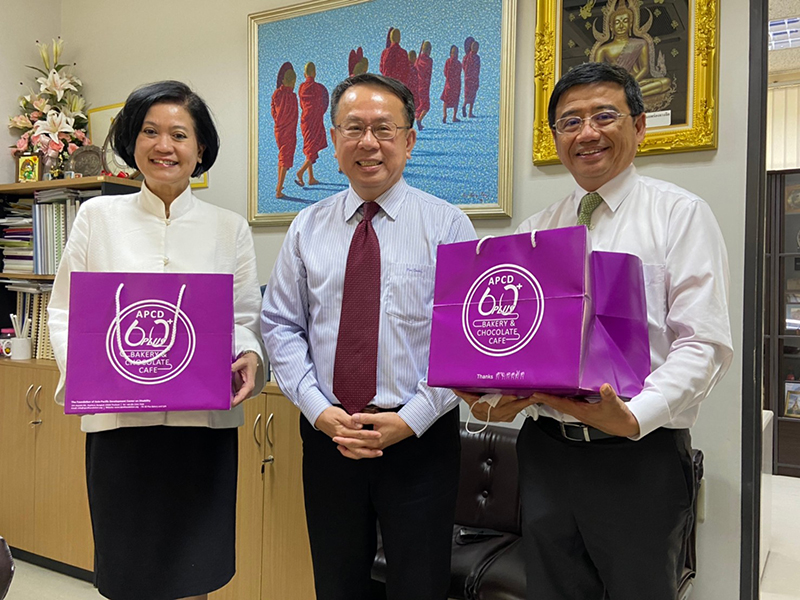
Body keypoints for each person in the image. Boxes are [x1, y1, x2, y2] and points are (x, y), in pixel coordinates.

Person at [456, 62, 733, 600]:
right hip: (545, 453)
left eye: (604, 115)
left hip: (638, 456)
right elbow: (512, 339)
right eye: (569, 121)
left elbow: (705, 343)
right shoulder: (535, 230)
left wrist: (632, 415)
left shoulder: (680, 215)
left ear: (639, 126)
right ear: (556, 137)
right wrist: (488, 395)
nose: (587, 132)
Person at [47, 80, 267, 600]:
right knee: (128, 572)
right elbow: (65, 311)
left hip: (202, 426)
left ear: (201, 149)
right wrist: (86, 378)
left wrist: (249, 354)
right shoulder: (96, 217)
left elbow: (243, 316)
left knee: (198, 569)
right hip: (122, 424)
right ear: (132, 141)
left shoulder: (227, 227)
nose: (163, 145)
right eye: (150, 131)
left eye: (179, 134)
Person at [261, 73, 476, 600]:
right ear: (333, 141)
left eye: (384, 128)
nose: (368, 142)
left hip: (419, 441)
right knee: (337, 583)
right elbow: (281, 325)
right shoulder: (306, 228)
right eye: (353, 128)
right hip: (330, 435)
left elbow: (468, 341)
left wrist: (412, 419)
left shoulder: (449, 226)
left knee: (419, 585)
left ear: (409, 138)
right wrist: (317, 408)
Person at [592, 6, 671, 98]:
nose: (621, 25)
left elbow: (645, 69)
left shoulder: (640, 43)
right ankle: (624, 96)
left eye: (625, 21)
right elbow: (598, 76)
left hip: (636, 82)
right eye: (617, 22)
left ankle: (623, 96)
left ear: (630, 24)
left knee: (665, 82)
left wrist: (630, 83)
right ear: (611, 26)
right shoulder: (603, 49)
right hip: (615, 86)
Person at [296, 62, 329, 187]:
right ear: (315, 73)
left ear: (305, 74)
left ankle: (311, 178)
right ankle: (301, 172)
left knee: (309, 146)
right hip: (315, 118)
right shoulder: (318, 88)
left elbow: (302, 104)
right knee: (312, 146)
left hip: (305, 119)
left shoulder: (301, 87)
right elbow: (322, 104)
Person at [271, 62, 299, 198]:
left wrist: (278, 121)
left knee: (281, 156)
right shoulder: (292, 97)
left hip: (279, 130)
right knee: (284, 158)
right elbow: (295, 115)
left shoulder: (276, 94)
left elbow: (273, 111)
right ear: (292, 81)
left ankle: (279, 185)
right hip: (288, 131)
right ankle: (278, 190)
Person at [414, 41, 433, 130]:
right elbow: (428, 73)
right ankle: (419, 120)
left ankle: (418, 119)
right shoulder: (429, 61)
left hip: (417, 84)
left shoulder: (418, 59)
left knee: (419, 103)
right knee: (426, 106)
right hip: (424, 85)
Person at [440, 45, 462, 123]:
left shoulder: (448, 61)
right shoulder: (458, 63)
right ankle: (454, 117)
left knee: (446, 100)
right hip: (455, 85)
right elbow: (458, 74)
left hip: (449, 84)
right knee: (455, 100)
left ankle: (445, 115)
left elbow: (445, 72)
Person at [461, 40, 481, 118]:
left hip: (467, 78)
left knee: (467, 94)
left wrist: (467, 73)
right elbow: (478, 68)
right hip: (474, 78)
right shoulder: (477, 58)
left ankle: (464, 105)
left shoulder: (466, 57)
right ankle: (470, 112)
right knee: (472, 95)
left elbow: (463, 66)